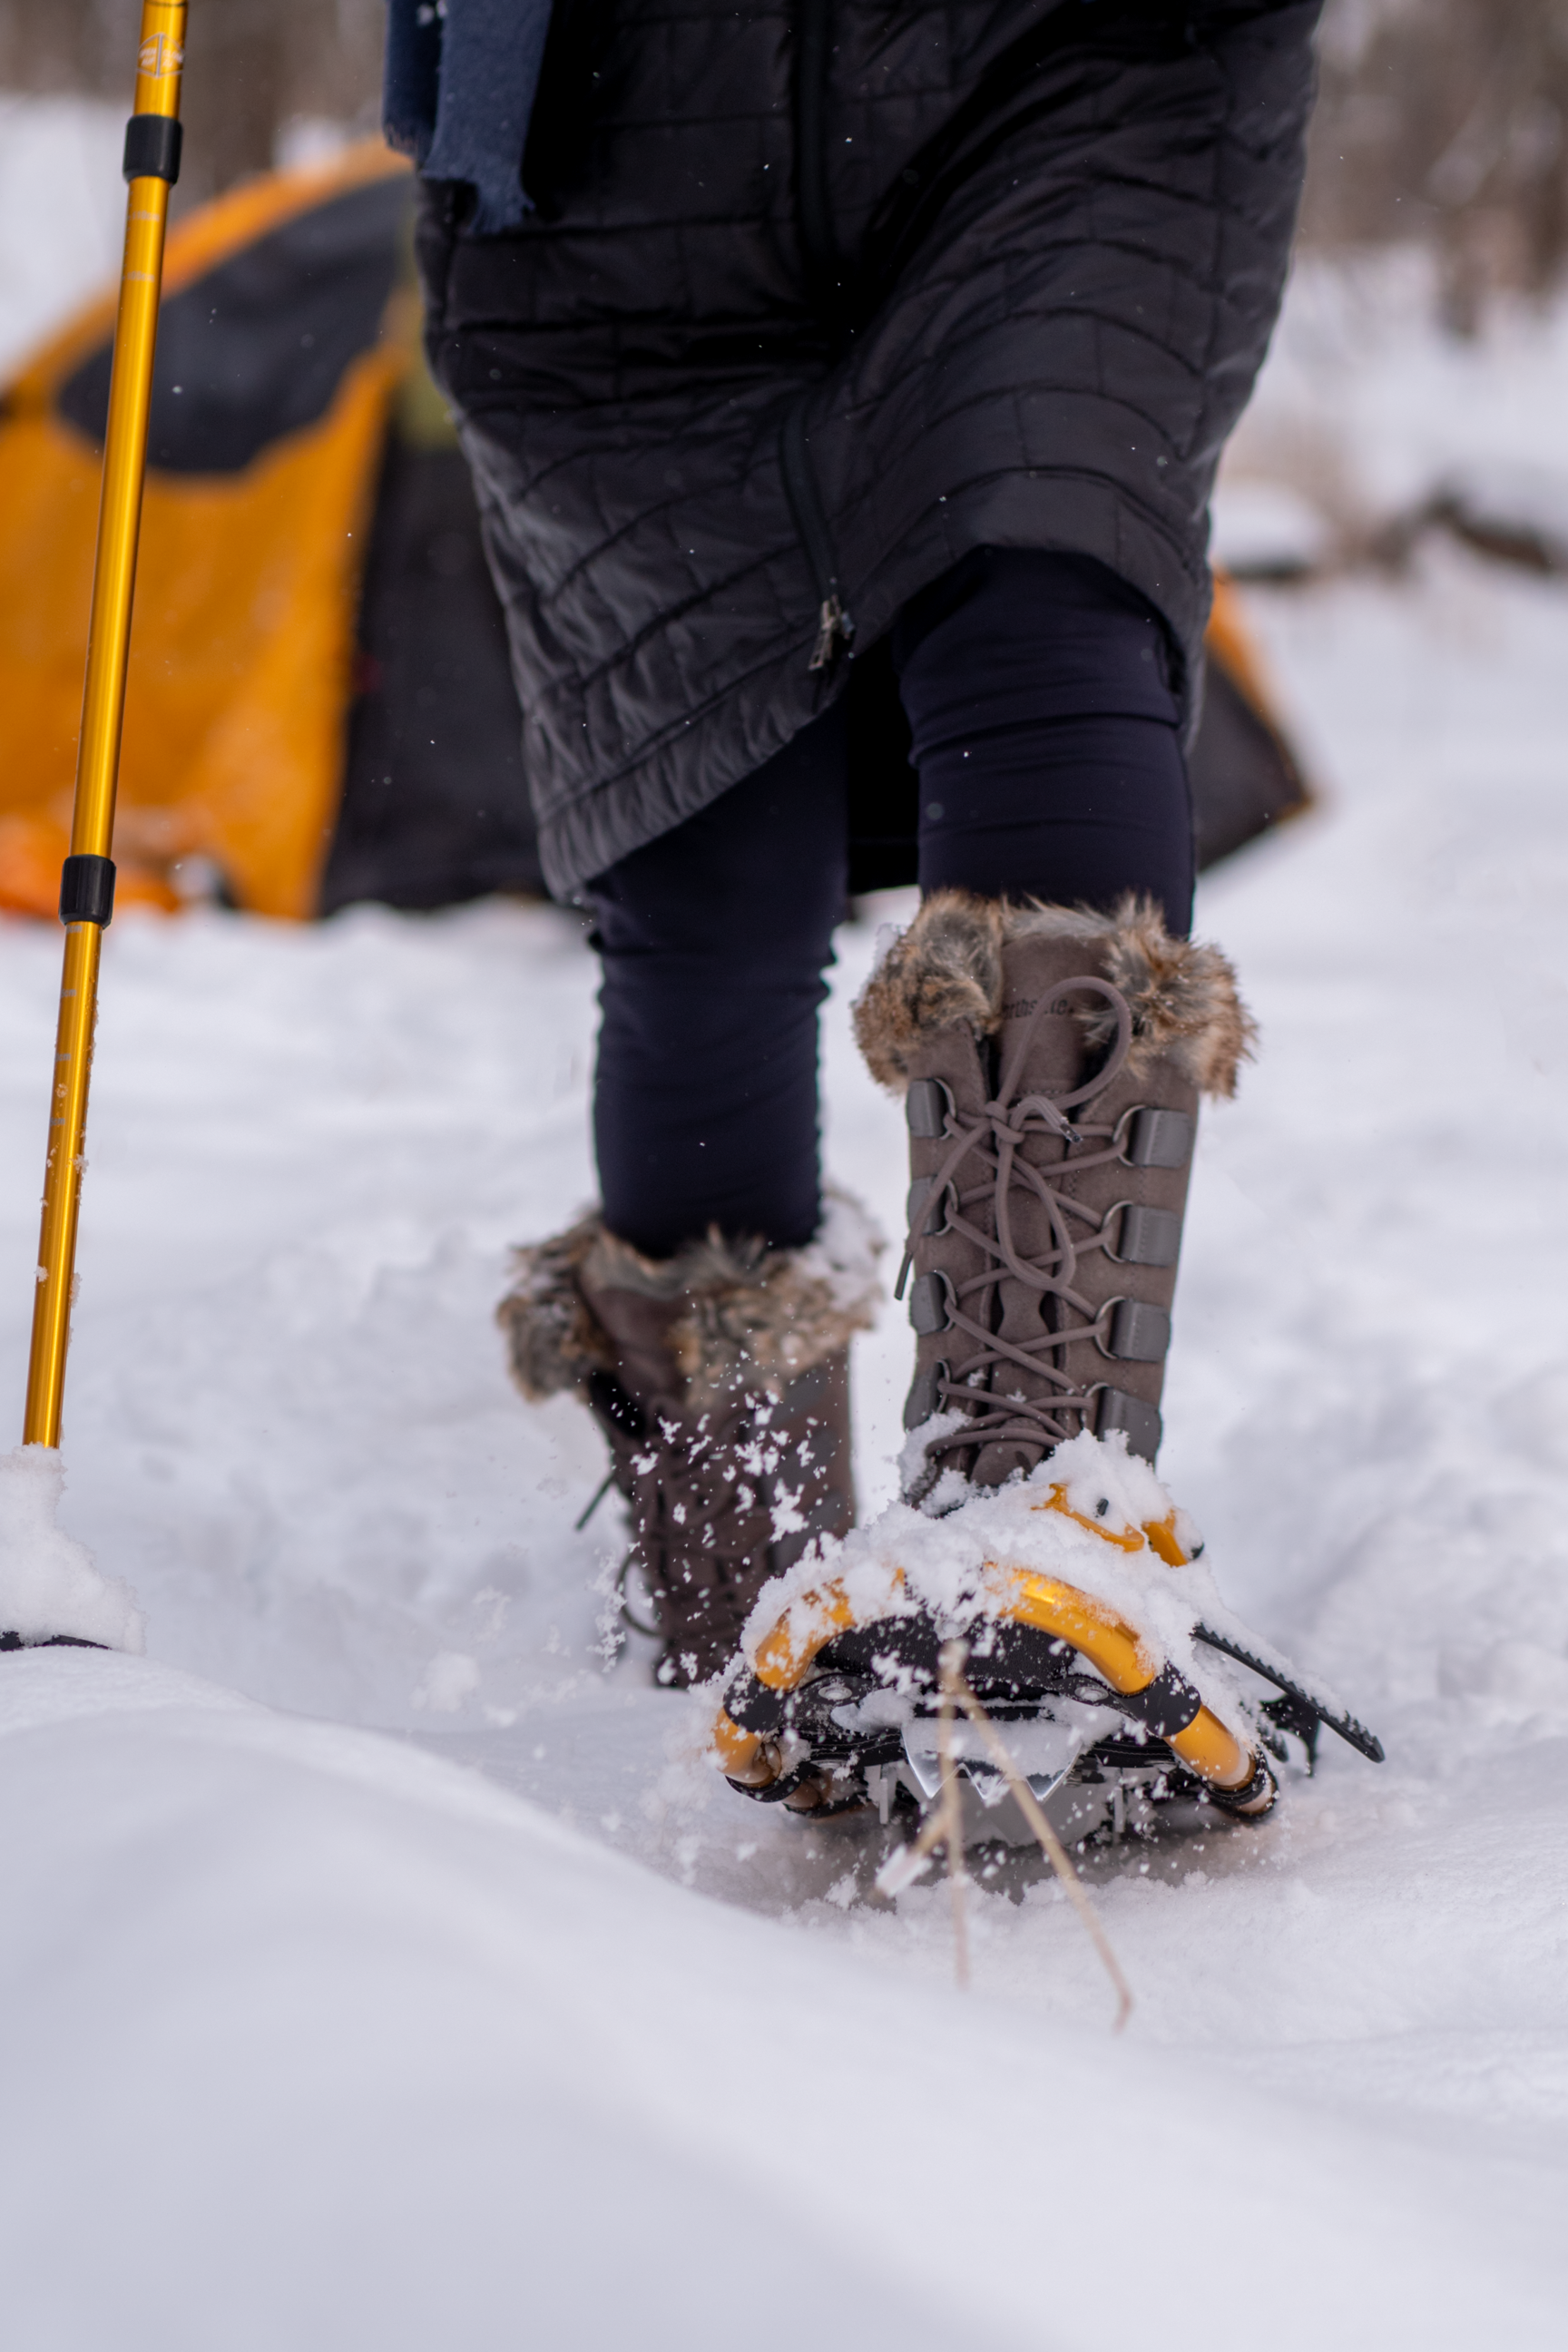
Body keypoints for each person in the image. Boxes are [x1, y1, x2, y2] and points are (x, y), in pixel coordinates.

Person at [386, 0, 1320, 1686]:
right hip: (618, 153)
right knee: (702, 866)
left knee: (1040, 590)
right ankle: (750, 1590)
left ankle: (1037, 1520)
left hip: (1058, 78)